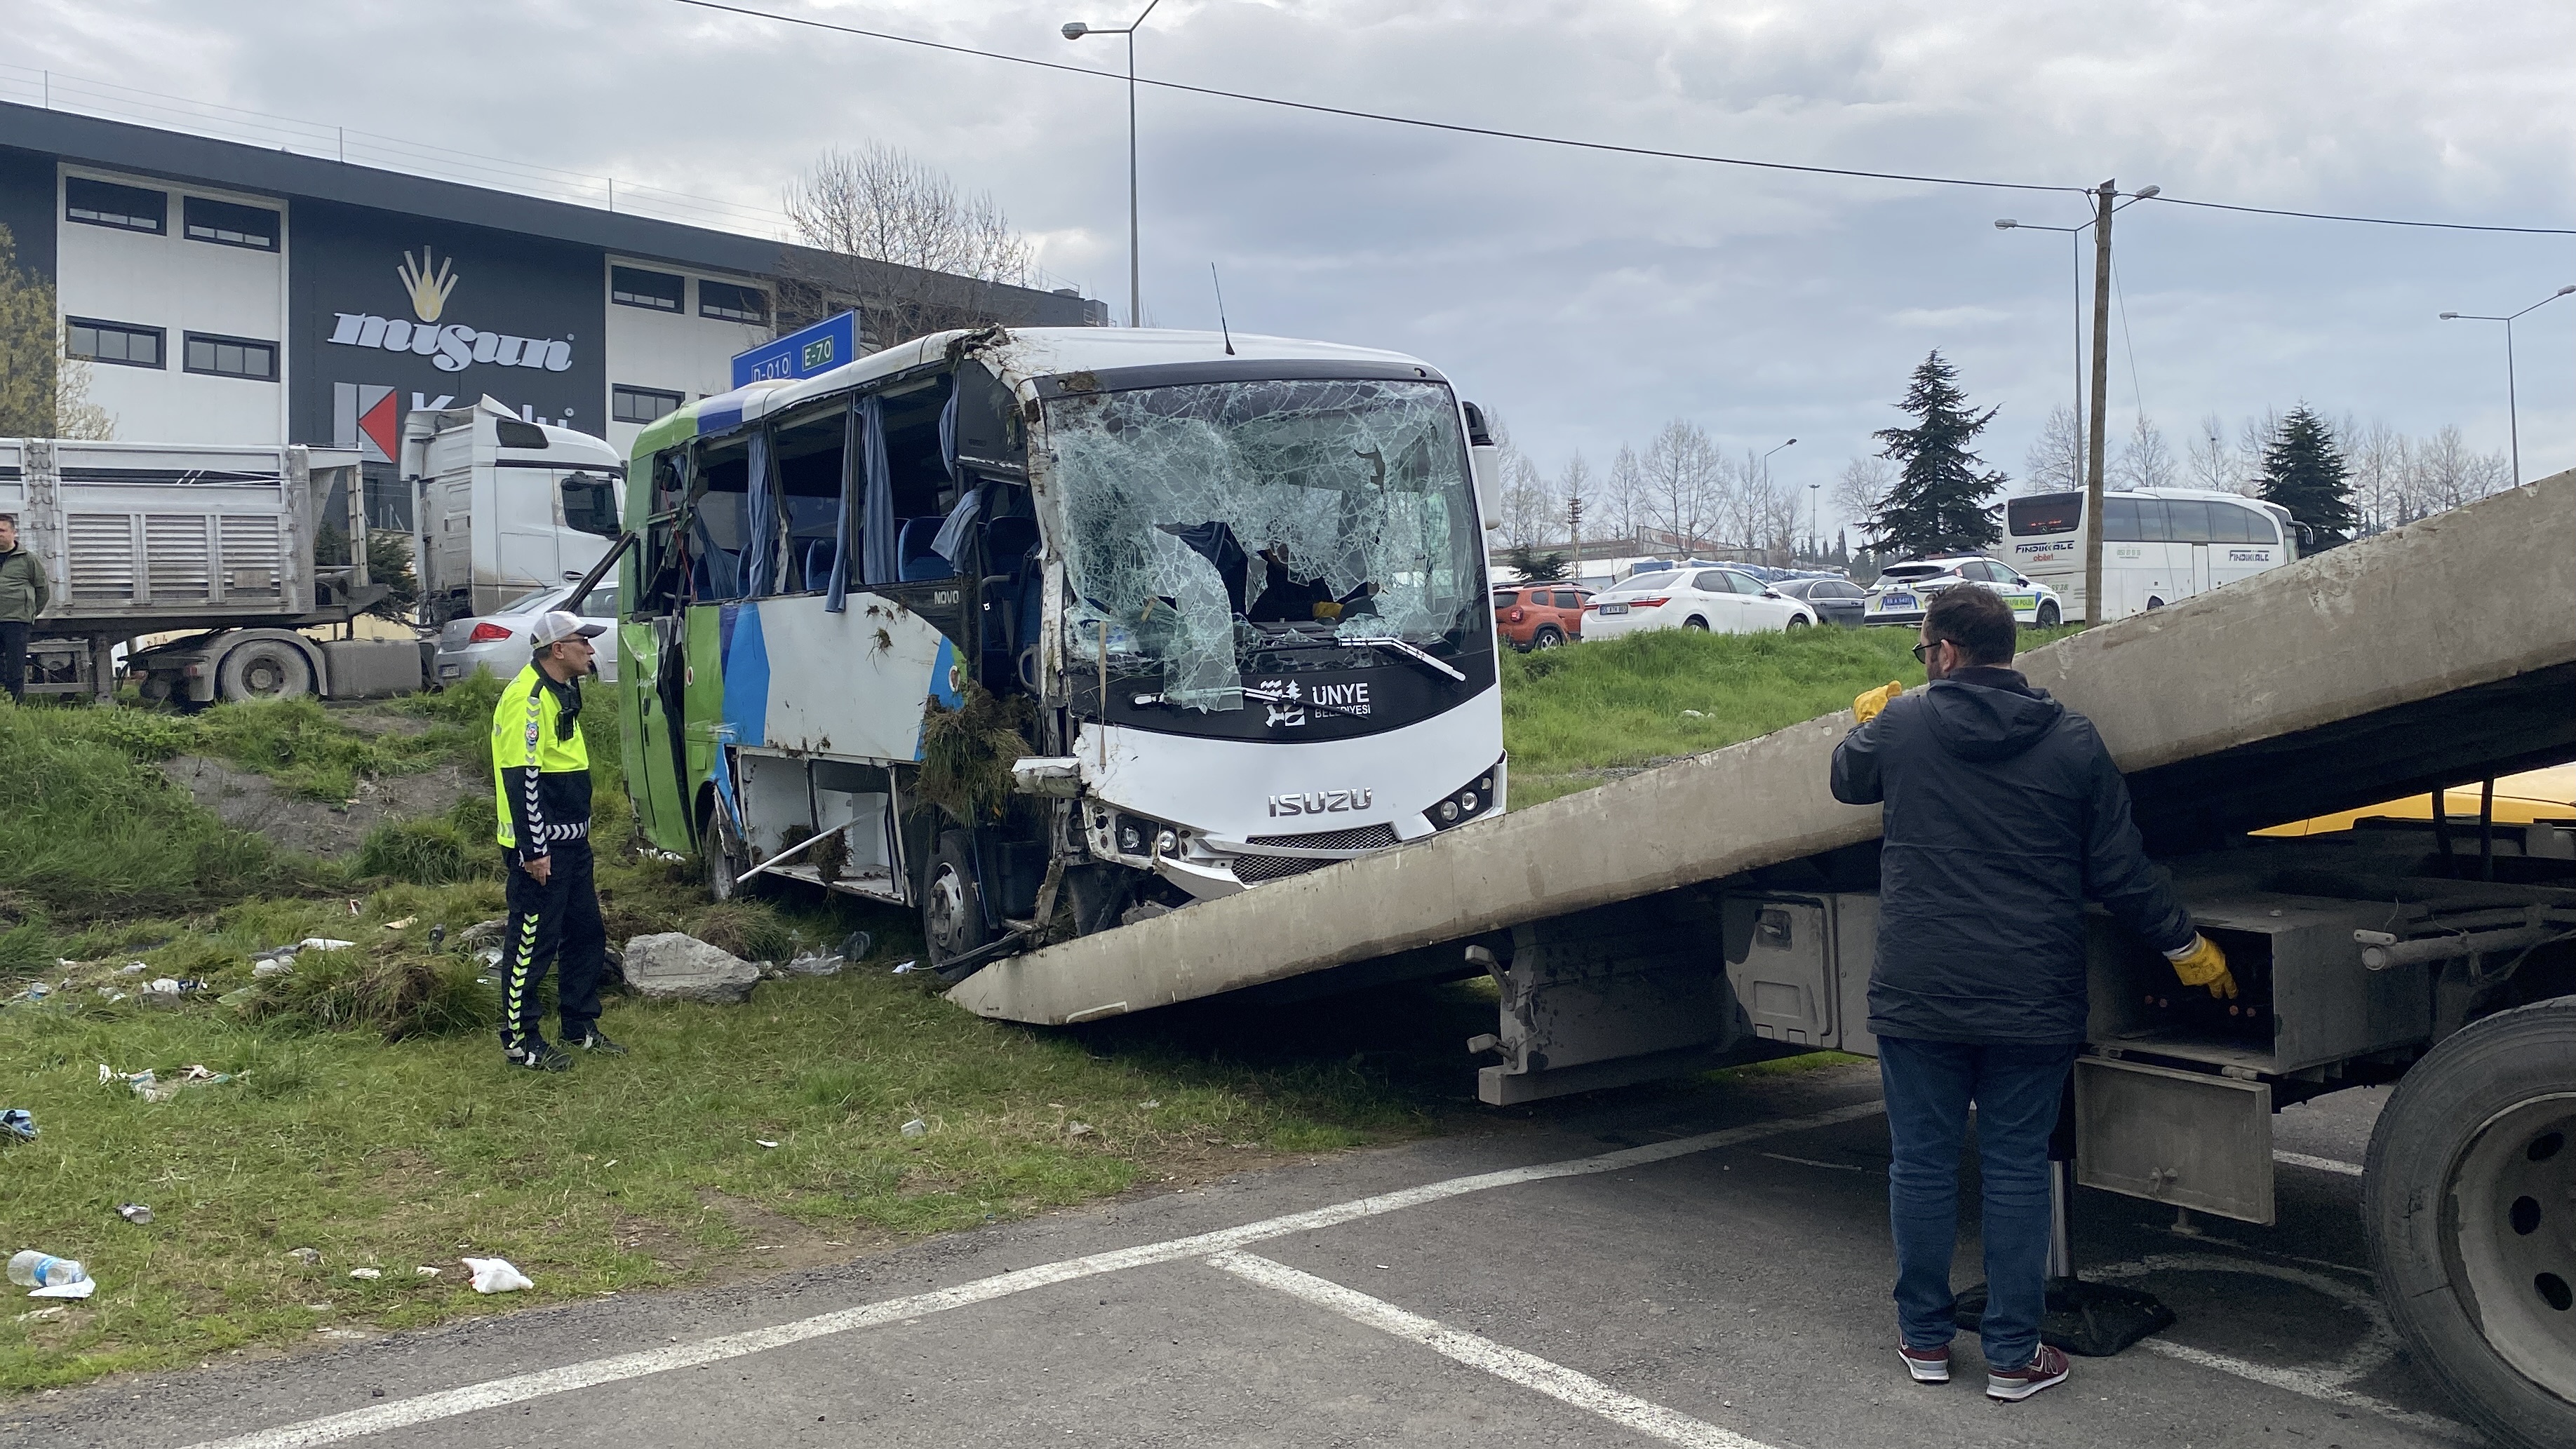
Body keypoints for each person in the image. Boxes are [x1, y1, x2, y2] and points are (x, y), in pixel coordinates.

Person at [1830, 585, 2234, 1402]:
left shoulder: (1901, 728)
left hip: (1921, 990)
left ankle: (1926, 1339)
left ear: (1943, 649)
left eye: (1922, 649)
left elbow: (1846, 779)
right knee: (2017, 1166)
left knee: (1923, 1163)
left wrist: (1865, 721)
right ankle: (2015, 1355)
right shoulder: (2074, 740)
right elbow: (2120, 870)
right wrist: (2184, 944)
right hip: (2031, 995)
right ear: (2007, 649)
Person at [490, 609, 620, 1070]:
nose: (591, 648)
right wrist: (534, 850)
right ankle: (520, 1040)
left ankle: (579, 1025)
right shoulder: (526, 699)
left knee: (586, 934)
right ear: (557, 649)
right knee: (531, 941)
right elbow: (521, 778)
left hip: (572, 843)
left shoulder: (564, 690)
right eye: (582, 640)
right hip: (541, 851)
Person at [0, 515, 49, 704]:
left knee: (15, 668)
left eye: (2, 531)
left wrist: (30, 612)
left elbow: (42, 590)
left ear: (14, 532)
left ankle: (16, 705)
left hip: (17, 621)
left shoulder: (29, 559)